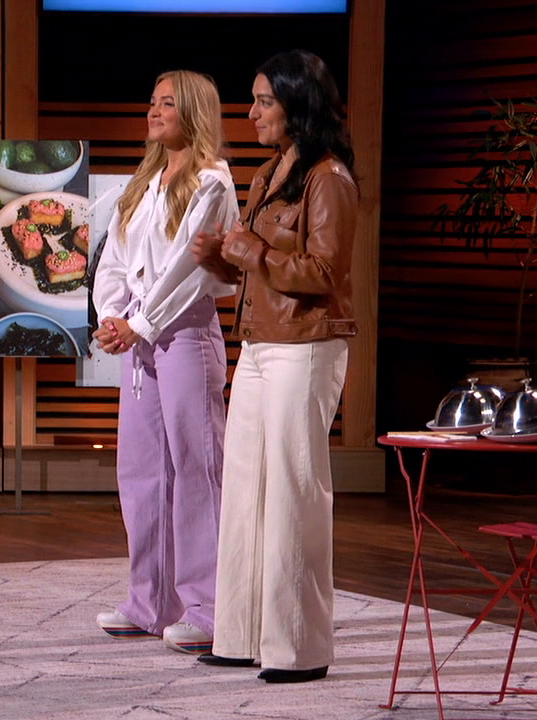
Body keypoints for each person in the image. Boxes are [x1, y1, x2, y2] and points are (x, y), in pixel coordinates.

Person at [190, 49, 358, 683]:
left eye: (264, 101)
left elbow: (324, 272)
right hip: (260, 342)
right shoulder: (267, 173)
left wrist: (250, 250)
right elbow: (254, 265)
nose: (252, 112)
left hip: (307, 344)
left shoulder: (328, 177)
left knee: (293, 490)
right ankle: (239, 635)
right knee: (245, 490)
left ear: (296, 104)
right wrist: (220, 255)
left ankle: (299, 649)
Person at [91, 69, 240, 655]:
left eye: (168, 103)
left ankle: (209, 608)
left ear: (194, 112)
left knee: (196, 471)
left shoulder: (212, 182)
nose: (154, 112)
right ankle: (150, 602)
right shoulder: (144, 181)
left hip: (184, 335)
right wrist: (112, 315)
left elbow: (191, 270)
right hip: (139, 339)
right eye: (152, 102)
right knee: (142, 470)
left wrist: (141, 323)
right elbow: (115, 257)